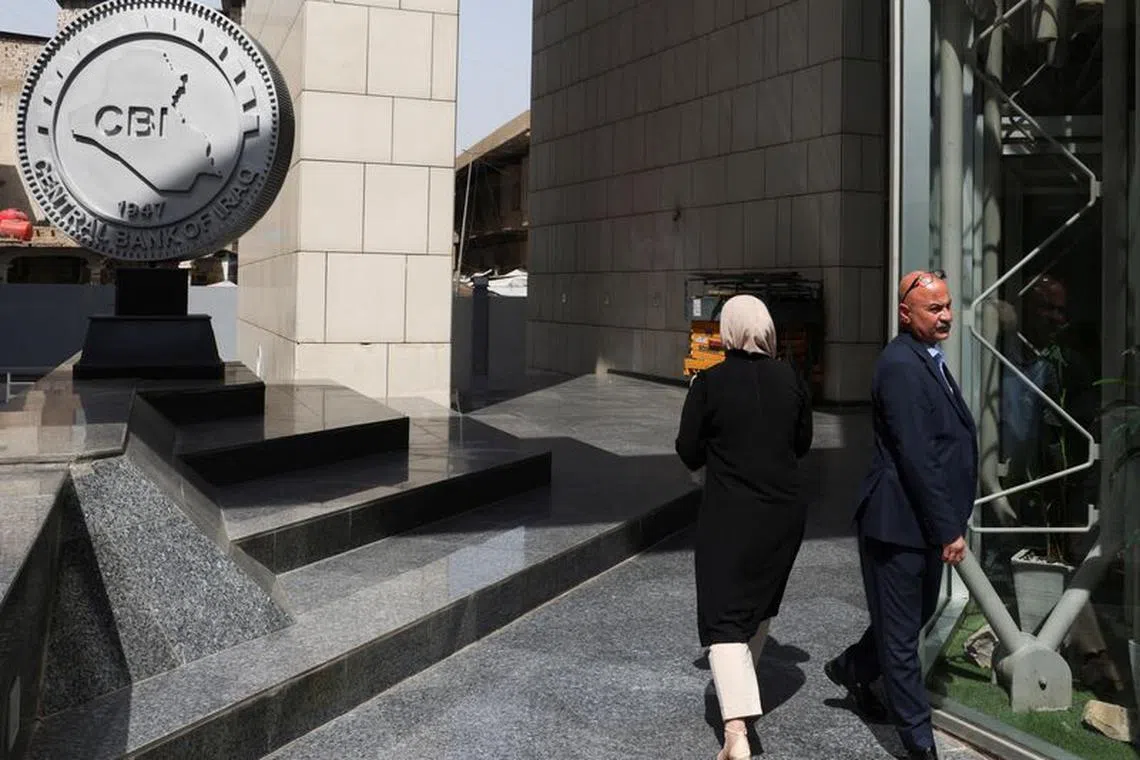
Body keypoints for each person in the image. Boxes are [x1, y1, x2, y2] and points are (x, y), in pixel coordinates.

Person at [824, 271, 978, 760]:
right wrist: (947, 528)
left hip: (923, 524)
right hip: (898, 527)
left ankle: (850, 669)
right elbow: (917, 456)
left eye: (948, 306)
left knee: (908, 621)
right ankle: (918, 742)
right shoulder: (899, 366)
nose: (946, 316)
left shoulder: (926, 358)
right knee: (901, 641)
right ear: (905, 313)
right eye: (934, 309)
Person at [675, 294, 813, 760]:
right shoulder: (791, 379)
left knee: (723, 619)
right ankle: (742, 694)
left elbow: (688, 449)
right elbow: (803, 442)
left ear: (727, 331)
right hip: (785, 513)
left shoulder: (708, 383)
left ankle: (736, 732)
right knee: (758, 602)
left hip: (731, 515)